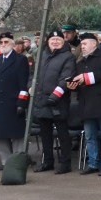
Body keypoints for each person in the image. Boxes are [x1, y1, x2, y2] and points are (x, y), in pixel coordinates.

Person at [69, 32, 101, 176]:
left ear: (94, 43)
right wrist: (74, 86)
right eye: (81, 44)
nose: (82, 47)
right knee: (90, 136)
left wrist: (87, 77)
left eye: (85, 44)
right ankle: (92, 163)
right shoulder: (80, 62)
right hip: (86, 102)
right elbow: (79, 82)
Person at [32, 30, 77, 174]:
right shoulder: (42, 55)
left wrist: (55, 96)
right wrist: (29, 87)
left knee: (62, 134)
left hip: (58, 101)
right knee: (45, 134)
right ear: (48, 41)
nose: (55, 41)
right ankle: (48, 162)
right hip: (41, 100)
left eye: (58, 39)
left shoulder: (68, 56)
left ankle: (65, 164)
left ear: (63, 41)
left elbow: (66, 77)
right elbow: (33, 74)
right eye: (53, 39)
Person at [0, 32, 29, 171]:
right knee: (1, 134)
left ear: (12, 44)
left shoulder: (20, 59)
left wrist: (21, 103)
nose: (3, 45)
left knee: (16, 135)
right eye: (1, 43)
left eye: (6, 42)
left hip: (13, 102)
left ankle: (17, 162)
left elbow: (23, 83)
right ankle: (5, 162)